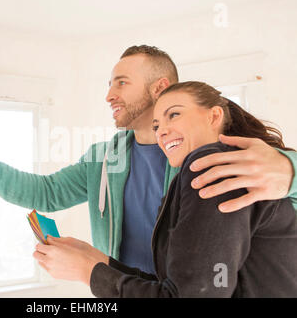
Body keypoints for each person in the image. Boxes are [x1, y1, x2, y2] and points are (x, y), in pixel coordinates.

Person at [0, 45, 297, 275]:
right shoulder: (105, 159)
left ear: (160, 87)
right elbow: (44, 194)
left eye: (121, 82)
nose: (108, 94)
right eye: (109, 83)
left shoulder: (223, 152)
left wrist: (290, 172)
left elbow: (280, 215)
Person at [33, 81, 297, 297]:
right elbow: (177, 288)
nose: (161, 131)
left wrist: (88, 271)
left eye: (174, 114)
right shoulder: (209, 171)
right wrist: (97, 262)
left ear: (214, 116)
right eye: (157, 125)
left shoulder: (211, 164)